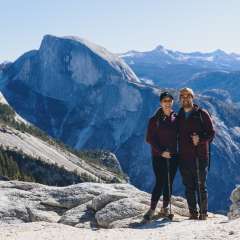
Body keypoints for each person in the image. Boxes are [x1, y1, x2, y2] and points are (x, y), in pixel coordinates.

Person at [177, 87, 215, 220]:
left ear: (193, 97)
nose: (186, 98)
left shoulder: (202, 113)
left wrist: (200, 139)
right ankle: (193, 213)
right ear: (180, 99)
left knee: (201, 186)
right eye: (183, 96)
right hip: (184, 157)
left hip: (200, 156)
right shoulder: (179, 115)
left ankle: (203, 213)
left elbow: (211, 133)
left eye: (188, 96)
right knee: (189, 187)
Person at [144, 91, 178, 221]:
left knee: (169, 183)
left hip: (174, 156)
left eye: (169, 101)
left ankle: (164, 208)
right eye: (165, 101)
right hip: (158, 156)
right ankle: (152, 209)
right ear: (161, 103)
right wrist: (161, 151)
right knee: (160, 181)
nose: (167, 103)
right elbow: (149, 139)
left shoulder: (176, 118)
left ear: (172, 102)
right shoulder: (154, 120)